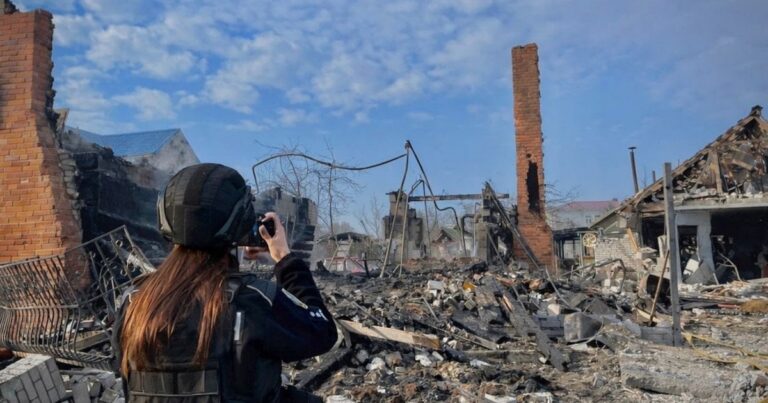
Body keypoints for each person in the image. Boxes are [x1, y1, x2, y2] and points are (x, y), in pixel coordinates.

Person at [113, 163, 337, 402]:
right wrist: (284, 258)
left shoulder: (134, 302)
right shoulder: (252, 300)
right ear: (240, 222)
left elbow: (120, 367)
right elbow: (322, 333)